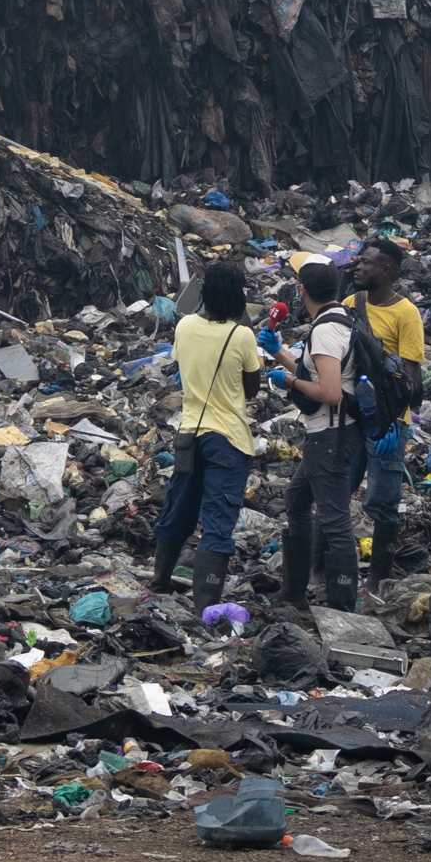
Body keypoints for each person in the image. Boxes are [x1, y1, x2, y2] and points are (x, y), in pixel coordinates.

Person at [148, 261, 257, 603]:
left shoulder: (186, 326)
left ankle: (160, 582)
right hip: (228, 440)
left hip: (189, 435)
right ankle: (204, 608)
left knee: (179, 510)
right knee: (217, 521)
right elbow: (251, 388)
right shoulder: (242, 335)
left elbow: (183, 368)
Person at [282, 259, 369, 614]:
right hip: (334, 432)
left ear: (302, 291)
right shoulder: (340, 320)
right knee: (296, 501)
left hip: (332, 434)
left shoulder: (325, 330)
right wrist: (280, 354)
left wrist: (289, 382)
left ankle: (342, 610)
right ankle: (293, 593)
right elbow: (323, 373)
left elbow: (330, 392)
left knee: (334, 520)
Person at [352, 238, 429, 591]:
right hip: (352, 417)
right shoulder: (353, 303)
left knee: (382, 502)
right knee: (336, 493)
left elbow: (410, 377)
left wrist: (396, 423)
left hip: (388, 423)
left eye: (366, 262)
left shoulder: (406, 313)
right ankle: (323, 569)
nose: (358, 266)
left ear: (385, 270)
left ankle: (378, 576)